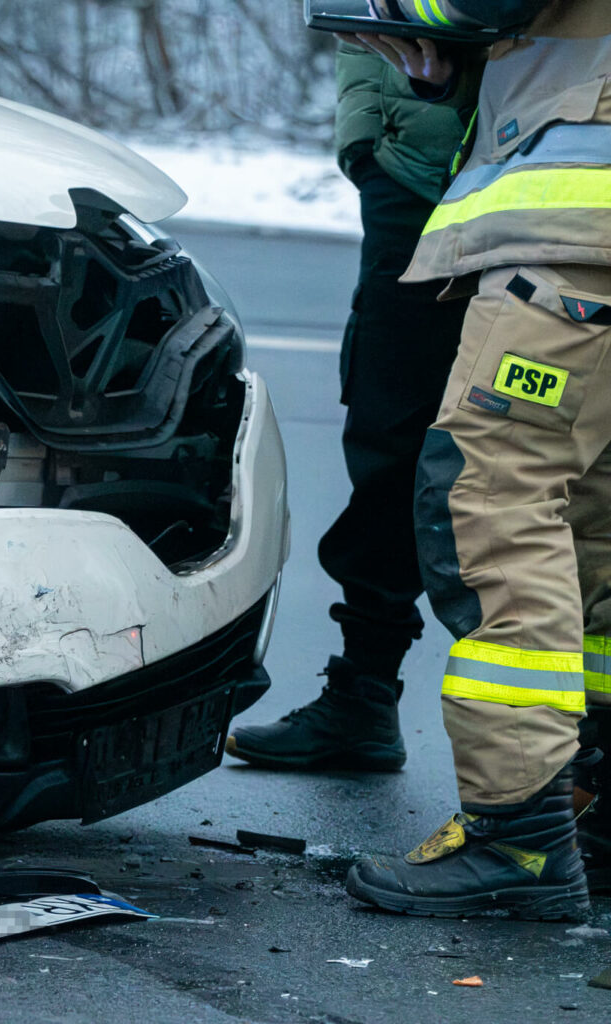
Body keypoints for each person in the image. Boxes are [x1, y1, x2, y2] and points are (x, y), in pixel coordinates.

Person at [340, 0, 611, 920]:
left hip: (575, 247)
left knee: (492, 497)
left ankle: (520, 841)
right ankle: (592, 809)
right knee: (593, 528)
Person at [225, 45, 478, 771]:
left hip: (540, 174)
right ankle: (363, 695)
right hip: (415, 175)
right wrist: (369, 143)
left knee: (529, 461)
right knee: (390, 437)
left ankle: (570, 759)